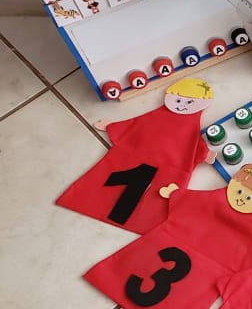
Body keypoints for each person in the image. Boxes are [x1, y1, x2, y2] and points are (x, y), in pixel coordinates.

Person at [82, 164, 252, 309]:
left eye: (249, 197)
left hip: (135, 268)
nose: (242, 199)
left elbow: (181, 197)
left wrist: (174, 193)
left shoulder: (202, 203)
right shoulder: (248, 241)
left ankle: (112, 276)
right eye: (240, 192)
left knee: (119, 273)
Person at [56, 78, 215, 234]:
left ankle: (98, 206)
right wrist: (112, 126)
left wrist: (204, 153)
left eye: (189, 102)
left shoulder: (188, 126)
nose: (181, 105)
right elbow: (137, 124)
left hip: (161, 168)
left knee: (145, 198)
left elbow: (136, 125)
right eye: (179, 100)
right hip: (141, 162)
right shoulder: (157, 116)